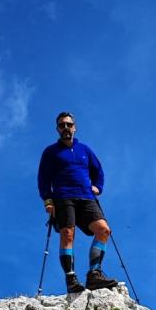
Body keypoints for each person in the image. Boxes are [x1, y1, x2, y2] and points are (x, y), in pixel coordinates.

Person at [37, 112, 119, 294]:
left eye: (68, 124)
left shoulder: (85, 150)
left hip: (86, 196)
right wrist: (48, 200)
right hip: (63, 196)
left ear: (74, 127)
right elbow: (43, 178)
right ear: (57, 129)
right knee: (67, 234)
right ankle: (71, 278)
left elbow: (98, 171)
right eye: (62, 125)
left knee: (103, 230)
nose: (65, 128)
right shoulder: (50, 152)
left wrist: (98, 187)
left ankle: (94, 274)